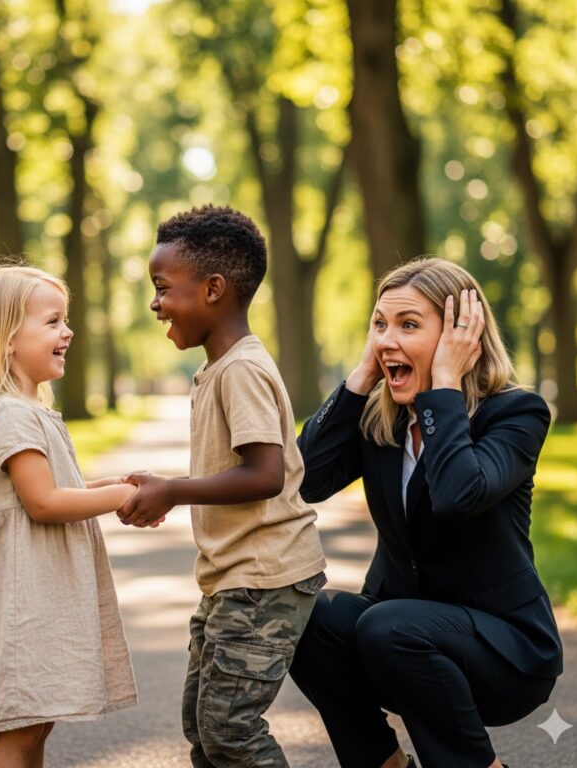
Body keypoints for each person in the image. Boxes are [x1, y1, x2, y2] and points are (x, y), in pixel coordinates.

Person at [289, 257, 563, 768]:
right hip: (397, 640)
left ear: (463, 334)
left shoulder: (516, 413)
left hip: (504, 651)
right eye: (379, 325)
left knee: (389, 625)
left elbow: (458, 496)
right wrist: (363, 375)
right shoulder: (382, 421)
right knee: (311, 616)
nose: (386, 339)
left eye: (408, 325)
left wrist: (443, 386)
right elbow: (304, 478)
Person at [116, 205, 327, 767]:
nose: (155, 302)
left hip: (264, 577)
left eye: (163, 288)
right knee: (204, 729)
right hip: (232, 578)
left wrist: (174, 490)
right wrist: (157, 487)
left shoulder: (241, 370)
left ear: (213, 289)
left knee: (230, 731)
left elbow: (265, 474)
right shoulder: (218, 368)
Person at [0, 262, 141, 768]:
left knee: (37, 722)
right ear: (6, 339)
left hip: (38, 592)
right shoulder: (9, 413)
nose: (67, 331)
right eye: (52, 322)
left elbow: (57, 489)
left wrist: (113, 486)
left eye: (64, 320)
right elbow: (44, 502)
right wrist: (117, 498)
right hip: (21, 599)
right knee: (23, 729)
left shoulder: (27, 410)